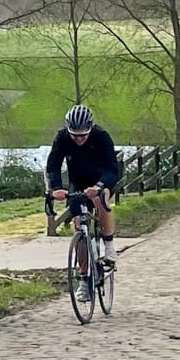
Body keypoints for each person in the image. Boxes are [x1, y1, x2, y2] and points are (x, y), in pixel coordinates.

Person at [47, 104, 122, 289]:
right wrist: (56, 188)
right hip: (78, 181)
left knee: (100, 198)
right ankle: (84, 277)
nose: (79, 139)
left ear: (90, 129)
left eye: (83, 135)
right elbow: (53, 166)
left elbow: (114, 168)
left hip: (102, 178)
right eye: (75, 135)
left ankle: (109, 246)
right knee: (79, 226)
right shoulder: (62, 138)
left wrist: (99, 186)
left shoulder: (101, 136)